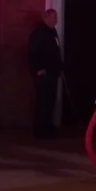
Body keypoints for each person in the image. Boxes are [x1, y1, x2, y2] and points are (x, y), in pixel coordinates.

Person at [27, 8, 63, 139]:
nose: (56, 20)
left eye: (56, 18)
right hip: (43, 74)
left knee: (50, 101)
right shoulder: (39, 34)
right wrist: (38, 69)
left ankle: (47, 127)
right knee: (43, 102)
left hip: (52, 73)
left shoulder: (51, 33)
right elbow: (32, 53)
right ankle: (40, 130)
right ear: (46, 18)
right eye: (53, 18)